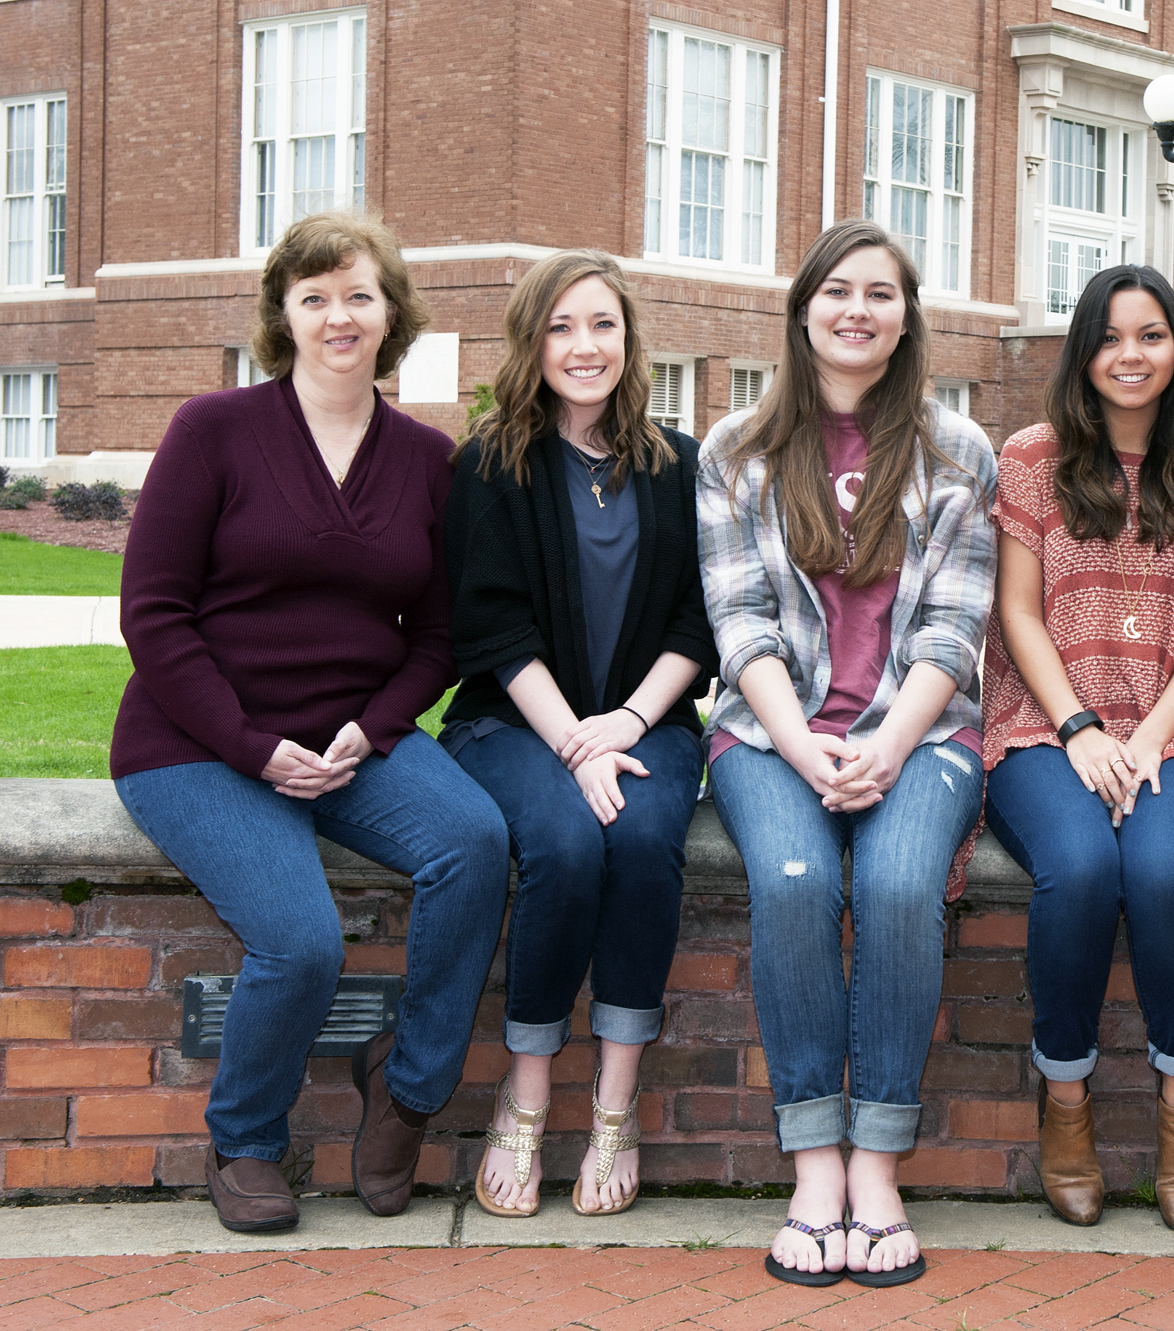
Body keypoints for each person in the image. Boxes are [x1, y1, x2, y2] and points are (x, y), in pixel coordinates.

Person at [110, 211, 510, 1233]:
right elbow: (151, 611)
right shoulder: (214, 429)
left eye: (359, 295)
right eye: (315, 296)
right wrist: (249, 744)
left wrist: (371, 729)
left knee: (474, 839)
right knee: (300, 938)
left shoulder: (427, 459)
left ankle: (409, 1089)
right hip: (195, 741)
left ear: (392, 315)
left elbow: (437, 633)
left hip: (347, 739)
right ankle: (246, 1139)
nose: (339, 315)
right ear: (282, 315)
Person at [698, 219, 997, 1289]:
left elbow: (952, 634)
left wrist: (883, 743)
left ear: (907, 317)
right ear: (802, 311)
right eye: (836, 291)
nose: (856, 310)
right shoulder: (732, 449)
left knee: (903, 879)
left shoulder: (961, 452)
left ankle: (878, 1162)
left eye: (880, 293)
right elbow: (740, 631)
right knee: (791, 882)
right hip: (767, 735)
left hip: (923, 732)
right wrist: (808, 745)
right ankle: (812, 1160)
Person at [973, 264, 1174, 1235]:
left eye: (1149, 335)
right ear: (1081, 351)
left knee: (1165, 866)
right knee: (1084, 866)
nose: (1129, 355)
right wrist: (1079, 727)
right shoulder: (1030, 457)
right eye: (1109, 336)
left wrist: (1144, 737)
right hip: (1044, 724)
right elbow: (1015, 609)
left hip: (1171, 725)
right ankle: (1065, 1101)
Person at [442, 250, 715, 1219]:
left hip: (648, 717)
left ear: (628, 339)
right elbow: (491, 626)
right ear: (531, 342)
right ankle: (524, 1097)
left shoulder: (678, 465)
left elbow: (698, 617)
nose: (582, 345)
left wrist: (626, 722)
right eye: (559, 326)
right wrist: (575, 743)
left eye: (600, 323)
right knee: (561, 840)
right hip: (514, 722)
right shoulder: (489, 461)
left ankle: (612, 1106)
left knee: (642, 838)